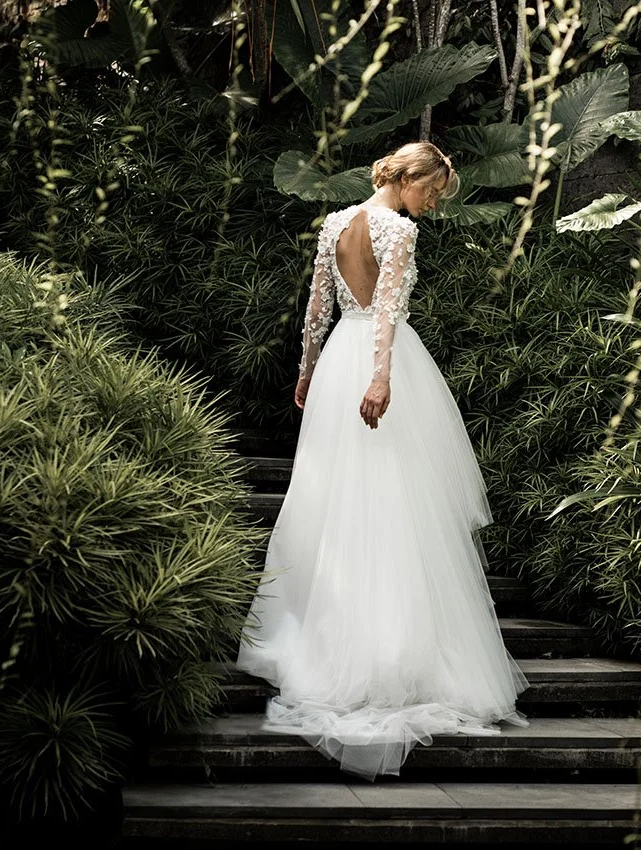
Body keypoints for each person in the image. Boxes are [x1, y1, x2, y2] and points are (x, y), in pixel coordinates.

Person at [235, 141, 528, 781]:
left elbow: (318, 308)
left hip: (337, 362)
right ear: (408, 178)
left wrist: (307, 370)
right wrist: (381, 377)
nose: (432, 204)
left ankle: (340, 639)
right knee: (389, 502)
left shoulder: (334, 224)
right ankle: (382, 652)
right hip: (374, 362)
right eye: (431, 191)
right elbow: (387, 309)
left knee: (342, 499)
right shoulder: (397, 230)